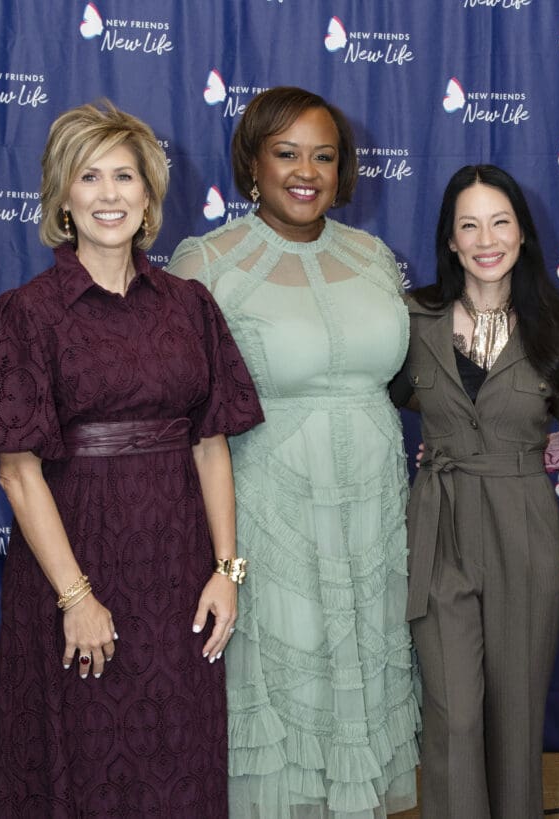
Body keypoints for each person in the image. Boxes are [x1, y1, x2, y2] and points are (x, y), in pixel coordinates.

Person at [0, 101, 263, 817]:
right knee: (81, 757)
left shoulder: (190, 305)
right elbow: (17, 473)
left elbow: (210, 442)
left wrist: (226, 570)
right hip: (75, 568)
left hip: (179, 574)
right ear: (62, 195)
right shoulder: (25, 314)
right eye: (89, 176)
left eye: (126, 175)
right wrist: (76, 596)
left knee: (177, 756)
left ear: (150, 194)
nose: (110, 194)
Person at [168, 86, 420, 818]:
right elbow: (181, 414)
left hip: (372, 517)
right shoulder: (207, 263)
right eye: (286, 153)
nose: (306, 171)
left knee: (361, 686)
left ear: (342, 171)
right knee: (285, 686)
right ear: (253, 162)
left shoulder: (373, 256)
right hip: (269, 517)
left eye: (324, 155)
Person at [391, 164, 559, 817]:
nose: (487, 238)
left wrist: (529, 450)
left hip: (523, 525)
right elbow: (377, 401)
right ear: (451, 241)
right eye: (469, 225)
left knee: (514, 722)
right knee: (453, 716)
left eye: (500, 221)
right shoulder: (411, 318)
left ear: (522, 233)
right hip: (441, 521)